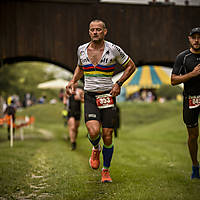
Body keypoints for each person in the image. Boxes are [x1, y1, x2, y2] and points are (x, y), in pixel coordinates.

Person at [66, 19, 136, 183]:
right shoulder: (81, 49)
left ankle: (106, 170)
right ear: (89, 32)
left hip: (107, 95)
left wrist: (118, 84)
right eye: (92, 30)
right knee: (93, 131)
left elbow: (131, 66)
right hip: (90, 95)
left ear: (105, 31)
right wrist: (73, 81)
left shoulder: (114, 49)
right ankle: (96, 148)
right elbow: (80, 67)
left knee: (108, 135)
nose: (95, 32)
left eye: (98, 29)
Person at [171, 27, 200, 179]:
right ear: (189, 39)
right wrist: (192, 74)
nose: (196, 40)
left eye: (199, 37)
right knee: (193, 135)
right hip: (191, 98)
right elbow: (173, 80)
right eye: (193, 37)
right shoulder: (183, 57)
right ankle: (195, 165)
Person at [64, 83, 84, 150]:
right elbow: (65, 98)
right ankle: (73, 143)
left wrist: (80, 99)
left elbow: (84, 100)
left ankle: (74, 139)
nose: (75, 84)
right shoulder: (68, 91)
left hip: (78, 112)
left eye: (76, 83)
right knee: (72, 127)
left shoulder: (80, 91)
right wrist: (65, 101)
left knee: (76, 128)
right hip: (70, 111)